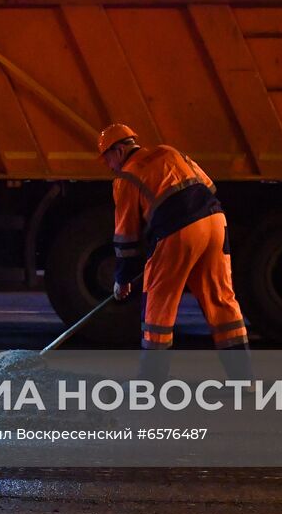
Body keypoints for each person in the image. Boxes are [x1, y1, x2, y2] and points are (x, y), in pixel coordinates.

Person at [97, 123, 248, 351]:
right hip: (215, 221)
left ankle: (151, 383)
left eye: (107, 159)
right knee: (221, 301)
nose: (109, 166)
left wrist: (122, 278)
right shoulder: (169, 151)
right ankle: (245, 383)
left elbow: (126, 237)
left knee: (158, 309)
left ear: (118, 150)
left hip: (178, 231)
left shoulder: (126, 178)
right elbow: (207, 187)